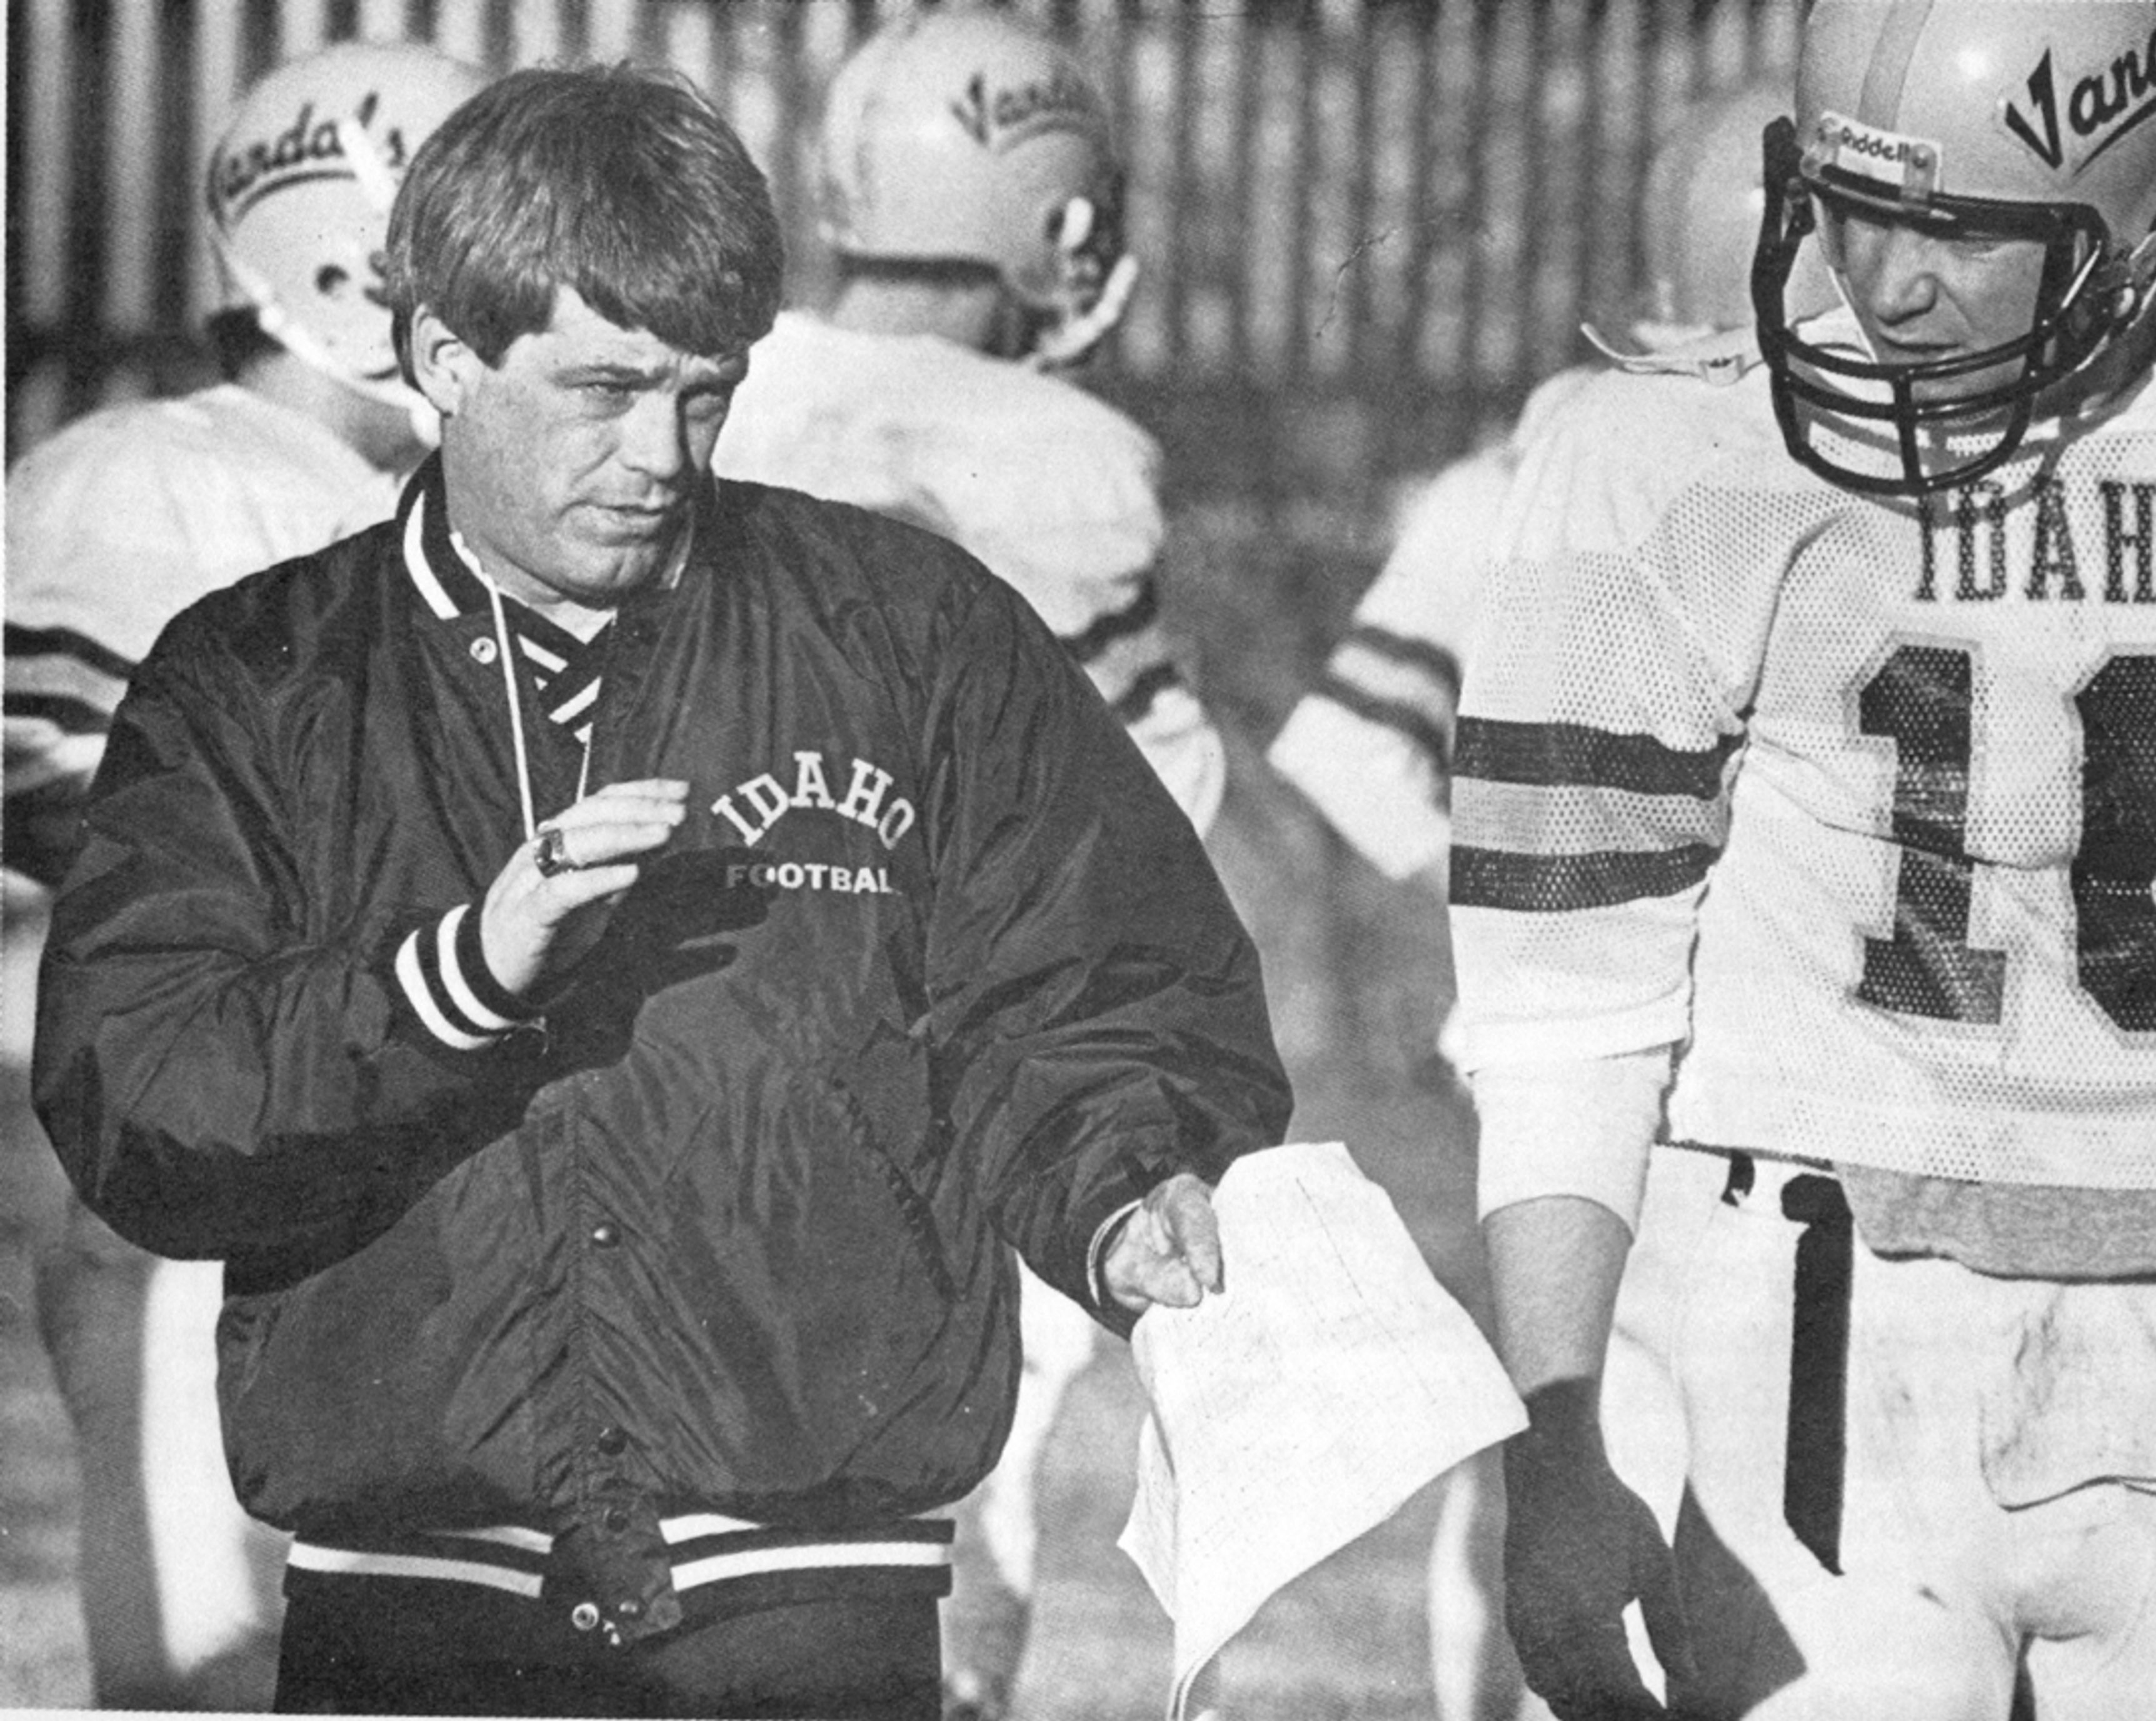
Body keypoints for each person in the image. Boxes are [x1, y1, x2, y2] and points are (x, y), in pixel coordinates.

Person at [34, 61, 1290, 1721]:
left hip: (818, 1607)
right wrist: (453, 982)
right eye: (606, 389)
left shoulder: (910, 634)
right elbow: (137, 1095)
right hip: (413, 1615)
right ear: (442, 359)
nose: (661, 454)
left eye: (707, 392)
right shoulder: (256, 678)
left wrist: (1126, 1186)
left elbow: (1094, 990)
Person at [1454, 4, 2156, 1719]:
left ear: (2149, 224)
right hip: (1824, 1330)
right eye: (1845, 203)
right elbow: (1561, 1012)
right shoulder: (1673, 464)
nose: (1879, 285)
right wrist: (1561, 1433)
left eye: (1959, 233)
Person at [1264, 76, 1835, 1721]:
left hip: (1768, 1089)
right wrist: (1540, 887)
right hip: (1608, 1066)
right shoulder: (1540, 475)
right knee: (1589, 1431)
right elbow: (1342, 745)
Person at [708, 14, 1224, 1717]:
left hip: (672, 1084)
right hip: (938, 1103)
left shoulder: (705, 389)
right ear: (1059, 222)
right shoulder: (1057, 455)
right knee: (938, 1571)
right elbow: (1146, 829)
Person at [1, 40, 489, 1707]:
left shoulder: (420, 505)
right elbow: (64, 805)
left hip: (388, 1139)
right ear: (355, 269)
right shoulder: (155, 484)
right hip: (190, 1152)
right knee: (197, 1661)